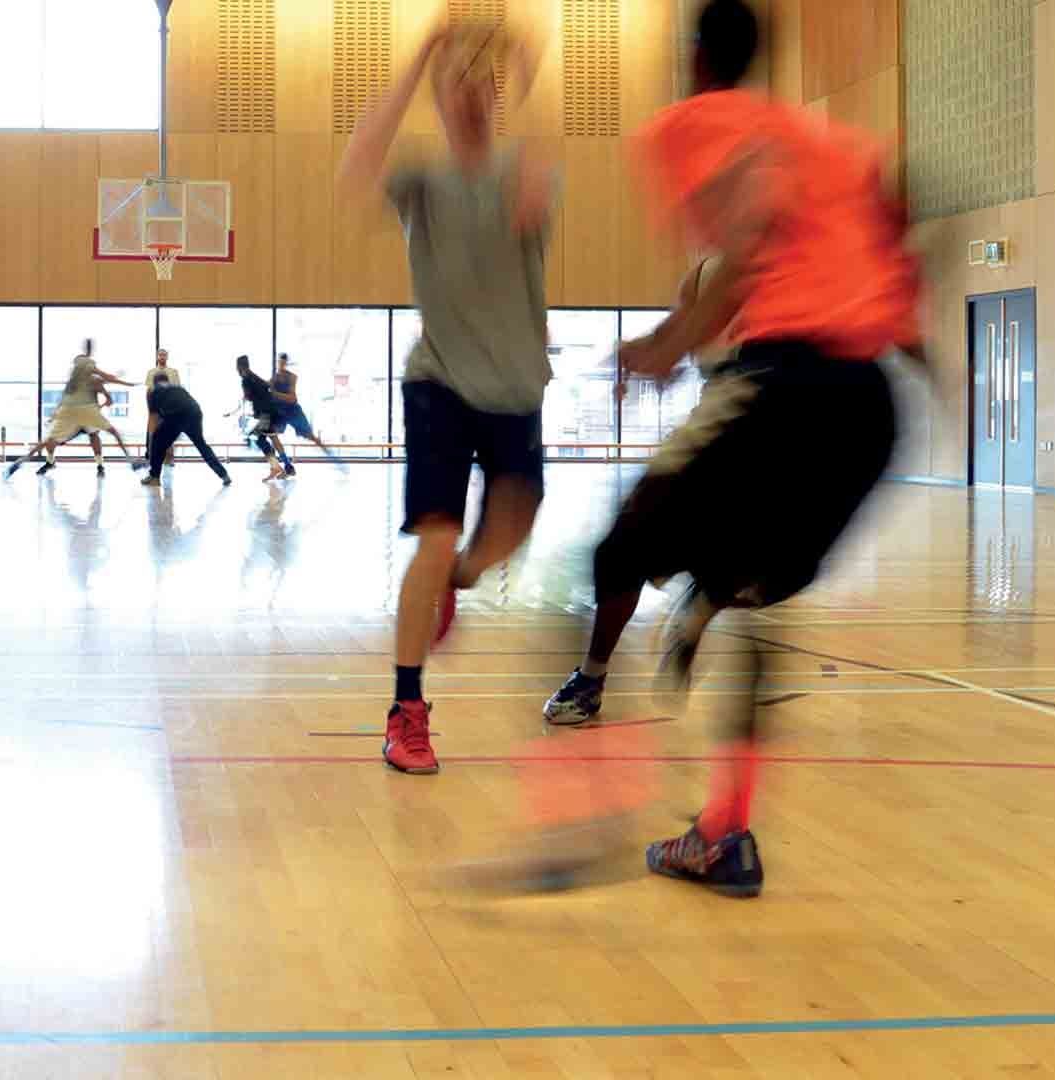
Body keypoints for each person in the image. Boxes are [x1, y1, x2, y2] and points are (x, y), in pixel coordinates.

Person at [540, 0, 922, 896]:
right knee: (752, 592)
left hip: (784, 386)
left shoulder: (700, 123)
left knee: (615, 549)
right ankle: (725, 834)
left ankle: (581, 786)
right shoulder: (834, 140)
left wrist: (670, 342)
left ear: (698, 55)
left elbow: (748, 233)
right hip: (875, 409)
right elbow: (897, 238)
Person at [337, 19, 556, 775]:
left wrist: (526, 77)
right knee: (434, 537)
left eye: (478, 78)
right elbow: (356, 173)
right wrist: (418, 59)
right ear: (435, 93)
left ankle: (456, 581)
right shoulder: (422, 180)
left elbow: (529, 197)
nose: (463, 88)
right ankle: (407, 712)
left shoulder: (524, 169)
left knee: (506, 539)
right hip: (439, 379)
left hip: (516, 384)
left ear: (493, 93)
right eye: (449, 79)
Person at [6, 342, 142, 478]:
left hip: (70, 411)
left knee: (49, 440)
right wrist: (128, 384)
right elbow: (108, 379)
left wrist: (54, 415)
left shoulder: (75, 378)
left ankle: (19, 462)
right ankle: (131, 461)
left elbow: (65, 399)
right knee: (114, 433)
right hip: (86, 410)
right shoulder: (89, 368)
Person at [141, 380, 231, 487]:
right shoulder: (176, 387)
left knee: (157, 440)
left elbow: (153, 421)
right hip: (195, 412)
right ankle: (224, 475)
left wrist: (150, 448)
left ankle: (154, 477)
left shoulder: (153, 391)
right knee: (201, 445)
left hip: (177, 415)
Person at [229, 355, 288, 482]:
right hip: (269, 411)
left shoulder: (245, 379)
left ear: (239, 366)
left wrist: (247, 397)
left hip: (264, 414)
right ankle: (275, 467)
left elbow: (249, 396)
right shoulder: (254, 376)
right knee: (261, 438)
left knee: (260, 439)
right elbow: (266, 386)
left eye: (237, 366)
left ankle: (276, 467)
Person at [269, 352, 331, 471]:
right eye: (278, 362)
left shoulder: (292, 377)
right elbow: (267, 388)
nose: (280, 364)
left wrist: (275, 394)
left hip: (293, 412)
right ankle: (287, 465)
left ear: (285, 363)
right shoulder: (274, 378)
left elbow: (292, 398)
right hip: (281, 413)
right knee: (271, 435)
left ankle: (332, 456)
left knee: (311, 437)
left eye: (282, 362)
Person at [145, 349, 183, 468]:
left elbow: (178, 390)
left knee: (169, 433)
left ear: (167, 357)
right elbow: (149, 391)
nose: (162, 357)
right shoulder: (151, 372)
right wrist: (150, 409)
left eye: (164, 355)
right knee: (154, 433)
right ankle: (153, 459)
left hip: (170, 407)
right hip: (156, 406)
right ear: (157, 357)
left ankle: (170, 459)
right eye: (160, 355)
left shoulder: (173, 372)